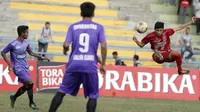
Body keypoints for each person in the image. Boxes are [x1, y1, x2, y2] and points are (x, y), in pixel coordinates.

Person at [48, 2, 107, 112]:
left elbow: (66, 44)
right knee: (93, 95)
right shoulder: (99, 28)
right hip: (90, 65)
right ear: (93, 13)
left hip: (74, 64)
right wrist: (102, 64)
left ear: (81, 13)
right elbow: (103, 45)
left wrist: (65, 50)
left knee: (61, 91)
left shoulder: (73, 27)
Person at [1, 25, 49, 110]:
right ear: (22, 33)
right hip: (17, 68)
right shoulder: (13, 44)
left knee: (28, 86)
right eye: (26, 32)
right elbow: (3, 52)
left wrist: (41, 57)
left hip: (25, 67)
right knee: (30, 83)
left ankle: (14, 97)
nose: (28, 34)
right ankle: (31, 103)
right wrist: (9, 64)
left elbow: (30, 53)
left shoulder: (26, 43)